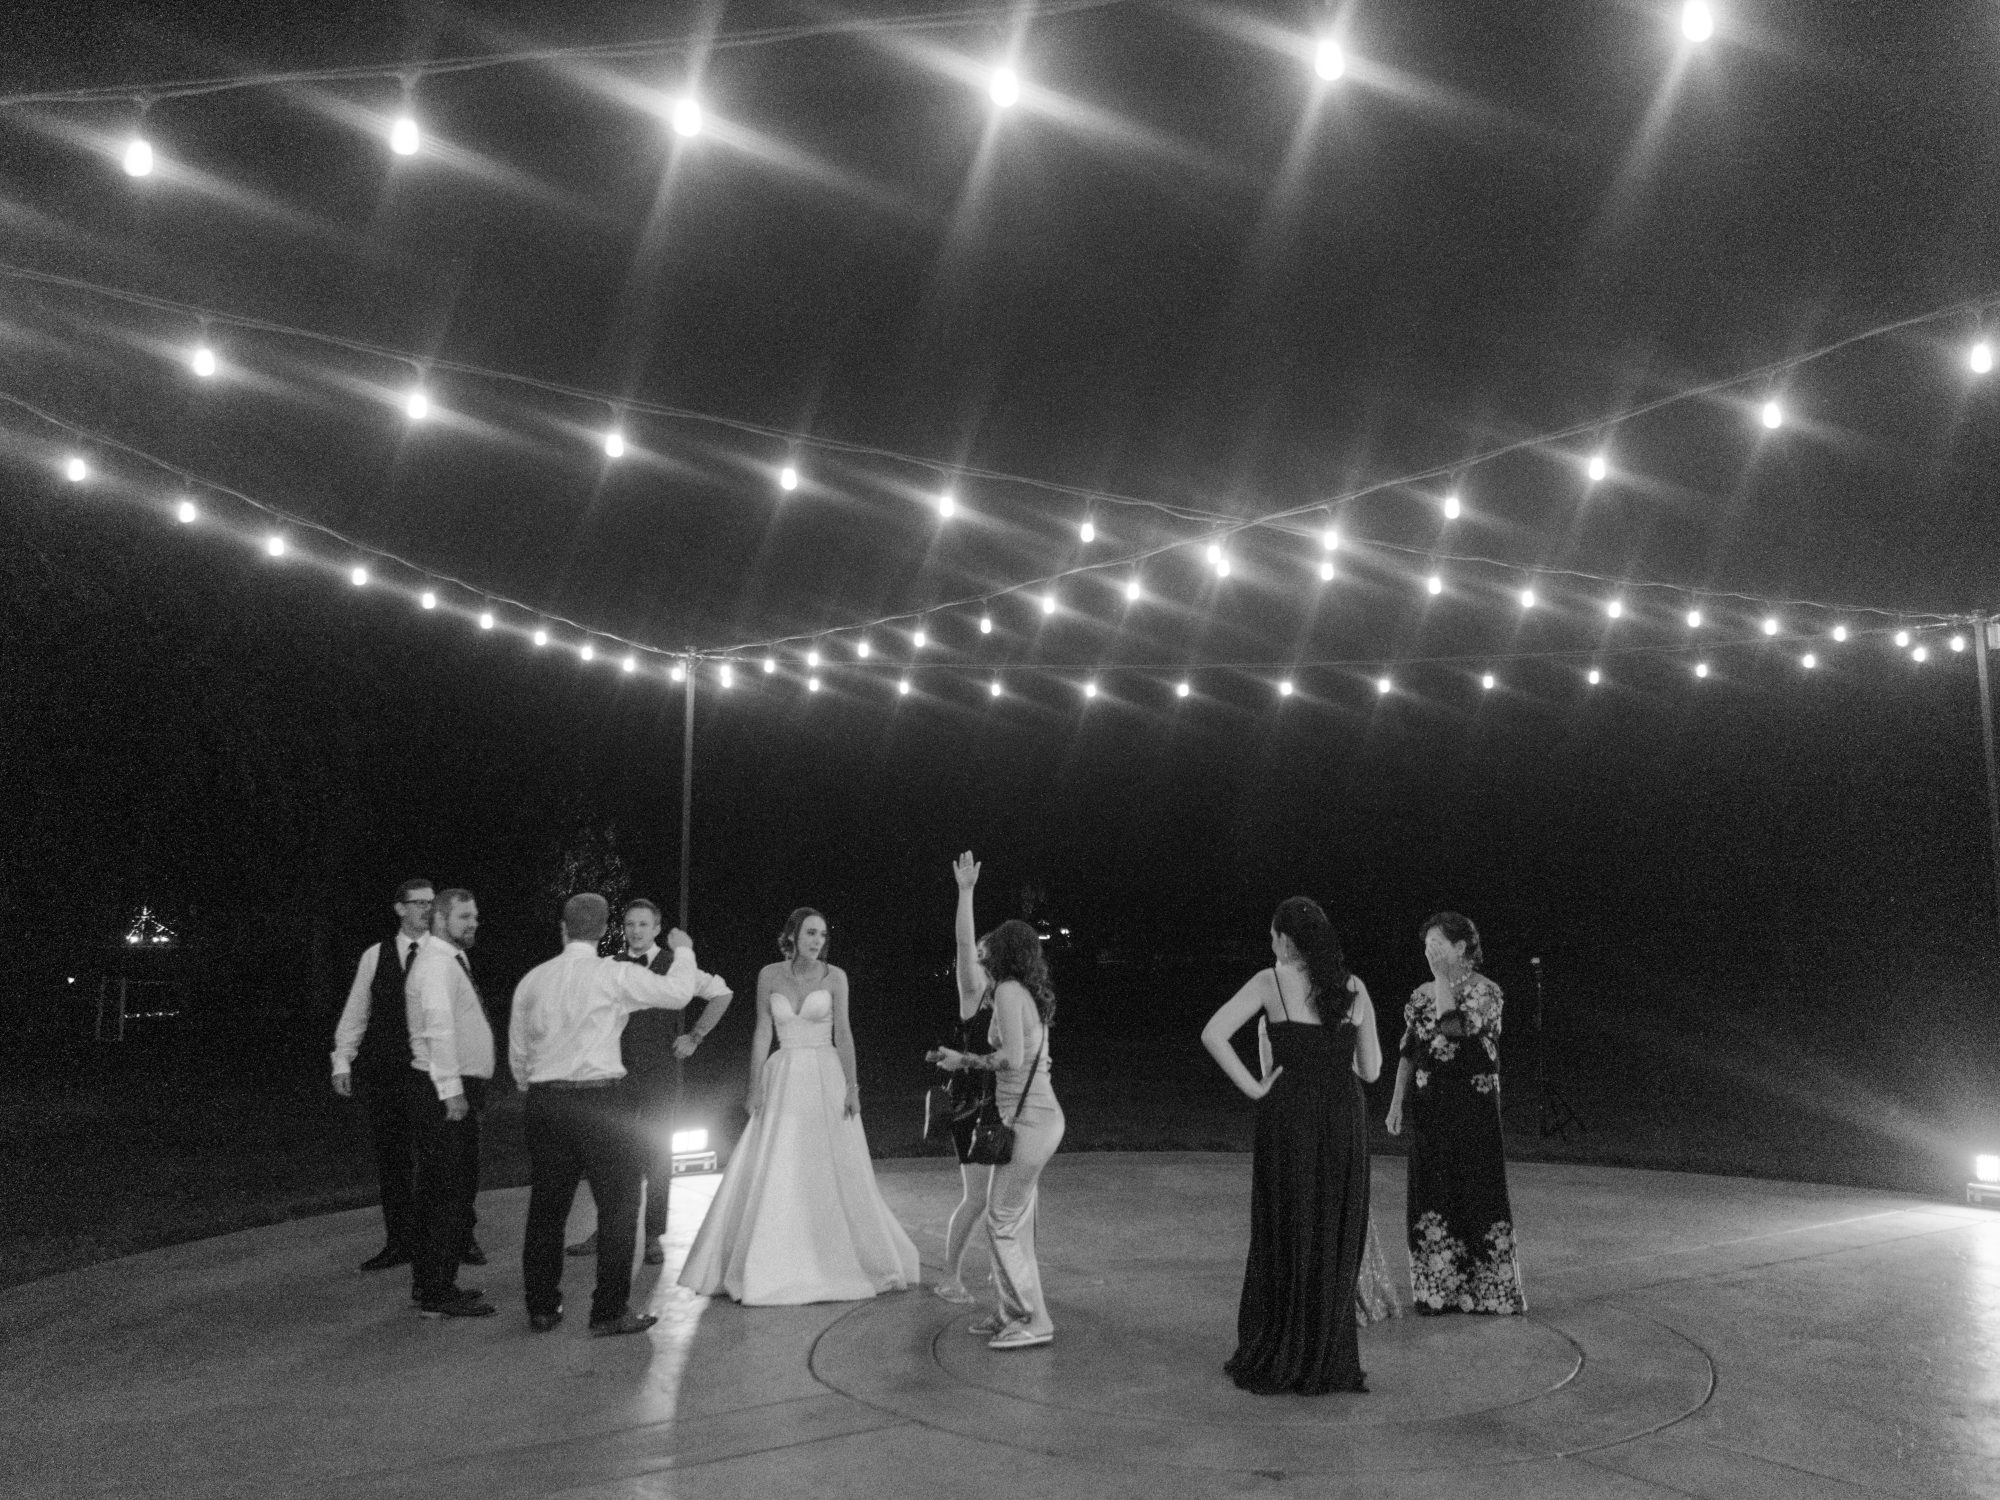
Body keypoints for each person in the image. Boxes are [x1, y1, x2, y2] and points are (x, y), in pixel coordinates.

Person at [512, 893, 729, 1335]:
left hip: (545, 1103)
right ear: (604, 930)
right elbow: (677, 993)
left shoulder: (533, 979)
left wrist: (528, 1085)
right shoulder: (612, 974)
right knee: (619, 1207)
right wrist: (685, 950)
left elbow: (519, 1049)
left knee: (547, 1209)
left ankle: (542, 1308)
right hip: (600, 1104)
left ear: (563, 928)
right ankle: (608, 1311)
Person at [678, 907, 919, 1304]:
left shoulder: (835, 977)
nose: (817, 941)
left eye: (822, 934)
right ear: (792, 935)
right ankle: (772, 1261)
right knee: (779, 1163)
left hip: (826, 1076)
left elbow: (844, 1033)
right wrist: (754, 1086)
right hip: (784, 1074)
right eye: (810, 933)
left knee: (829, 1164)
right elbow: (762, 1031)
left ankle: (835, 1257)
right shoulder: (769, 975)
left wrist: (853, 1087)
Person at [1200, 897, 1381, 1394]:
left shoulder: (1271, 981)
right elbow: (1371, 1070)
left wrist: (1255, 1087)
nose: (1271, 944)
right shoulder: (1354, 987)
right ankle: (1326, 1354)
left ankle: (1282, 1345)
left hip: (1291, 1117)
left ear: (1286, 940)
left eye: (1273, 936)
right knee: (1332, 1228)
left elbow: (1213, 1033)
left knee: (1287, 1224)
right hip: (1343, 1119)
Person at [930, 852, 1064, 1350]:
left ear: (1002, 954)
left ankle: (1033, 1319)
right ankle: (1010, 1310)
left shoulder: (1007, 993)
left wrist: (961, 1059)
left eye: (989, 950)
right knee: (1006, 1216)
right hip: (1018, 1116)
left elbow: (1011, 1058)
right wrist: (965, 893)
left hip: (1027, 1119)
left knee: (1001, 1218)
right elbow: (963, 946)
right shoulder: (1013, 992)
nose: (979, 955)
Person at [565, 899, 733, 1265]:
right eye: (630, 924)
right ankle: (606, 1229)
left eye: (643, 924)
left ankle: (653, 1234)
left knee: (658, 1154)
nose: (636, 930)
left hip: (660, 1071)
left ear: (657, 929)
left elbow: (722, 993)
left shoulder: (675, 965)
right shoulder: (610, 966)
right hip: (615, 1072)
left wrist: (695, 1036)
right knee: (609, 1153)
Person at [1385, 911, 1526, 1316]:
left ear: (1461, 947)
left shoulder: (1487, 992)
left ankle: (1489, 1293)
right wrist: (1396, 1102)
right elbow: (1409, 1050)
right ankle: (1437, 1292)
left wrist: (1442, 980)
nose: (1429, 952)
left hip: (1474, 1108)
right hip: (1431, 1106)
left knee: (1478, 1188)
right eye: (1426, 945)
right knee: (1432, 1189)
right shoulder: (1420, 994)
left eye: (1438, 945)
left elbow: (1454, 1027)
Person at [1256, 1015, 1403, 1327]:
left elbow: (1270, 1076)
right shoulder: (1347, 1006)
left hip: (1297, 1117)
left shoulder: (1273, 1015)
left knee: (1303, 1202)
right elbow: (1369, 1070)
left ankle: (1302, 1302)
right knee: (1340, 1200)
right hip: (1340, 1113)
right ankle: (1347, 1295)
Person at [329, 878, 433, 1273]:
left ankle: (452, 1237)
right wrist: (343, 1060)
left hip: (432, 1073)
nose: (426, 909)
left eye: (431, 903)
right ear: (400, 908)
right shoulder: (376, 955)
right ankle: (399, 1241)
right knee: (393, 1160)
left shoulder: (445, 954)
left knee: (438, 1158)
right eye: (419, 903)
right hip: (387, 1072)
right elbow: (357, 1010)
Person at [405, 888, 496, 1318]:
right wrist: (451, 1091)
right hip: (443, 1090)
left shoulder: (450, 960)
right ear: (440, 919)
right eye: (464, 916)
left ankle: (433, 1283)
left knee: (444, 1190)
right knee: (446, 1192)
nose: (473, 923)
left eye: (474, 915)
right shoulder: (437, 964)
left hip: (449, 1086)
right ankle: (437, 1292)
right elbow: (437, 1029)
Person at [927, 962, 996, 1306]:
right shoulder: (974, 997)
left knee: (1011, 1197)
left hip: (1004, 1103)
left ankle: (1004, 1269)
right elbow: (965, 947)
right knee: (978, 1197)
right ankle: (950, 1277)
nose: (982, 964)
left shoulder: (1011, 998)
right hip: (974, 1105)